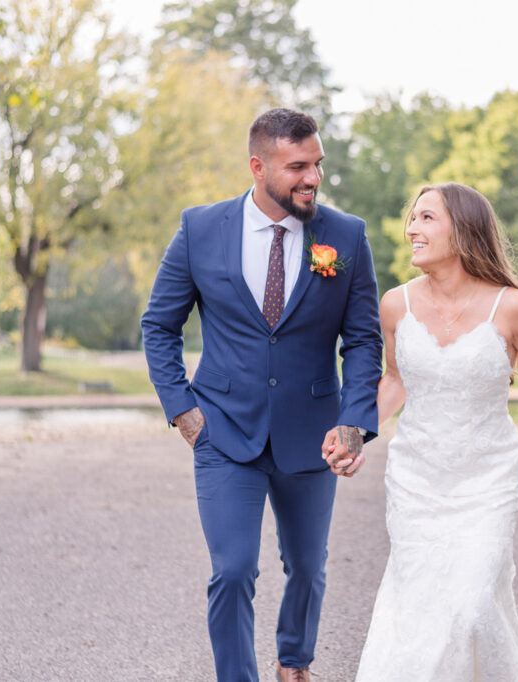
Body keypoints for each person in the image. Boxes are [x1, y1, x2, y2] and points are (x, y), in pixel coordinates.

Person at [140, 108, 381, 682]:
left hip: (313, 433)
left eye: (317, 165)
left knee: (307, 566)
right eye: (297, 166)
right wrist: (184, 412)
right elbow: (159, 326)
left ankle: (293, 662)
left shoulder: (345, 235)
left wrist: (354, 421)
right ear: (258, 166)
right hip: (222, 431)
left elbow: (365, 339)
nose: (313, 178)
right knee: (232, 570)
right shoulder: (201, 229)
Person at [326, 182, 518, 681]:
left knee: (470, 607)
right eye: (412, 218)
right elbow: (396, 381)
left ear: (463, 231)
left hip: (487, 480)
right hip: (416, 480)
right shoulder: (395, 305)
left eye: (426, 218)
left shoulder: (513, 307)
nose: (411, 229)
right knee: (417, 606)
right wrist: (353, 432)